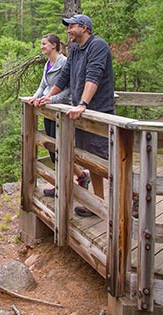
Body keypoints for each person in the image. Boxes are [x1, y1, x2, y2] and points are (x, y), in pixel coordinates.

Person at [38, 13, 115, 217]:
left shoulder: (97, 46)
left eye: (71, 27)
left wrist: (82, 103)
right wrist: (49, 97)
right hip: (83, 114)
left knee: (107, 162)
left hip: (99, 111)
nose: (68, 30)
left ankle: (134, 197)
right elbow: (64, 77)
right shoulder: (75, 50)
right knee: (91, 161)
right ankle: (97, 204)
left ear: (84, 27)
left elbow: (94, 75)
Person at [28, 34, 71, 163]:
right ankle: (76, 176)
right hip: (48, 108)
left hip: (60, 108)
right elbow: (43, 86)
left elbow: (69, 89)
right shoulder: (48, 63)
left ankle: (72, 178)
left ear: (53, 45)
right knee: (51, 146)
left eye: (44, 44)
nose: (41, 47)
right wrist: (35, 97)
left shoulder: (64, 62)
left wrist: (50, 99)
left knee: (58, 147)